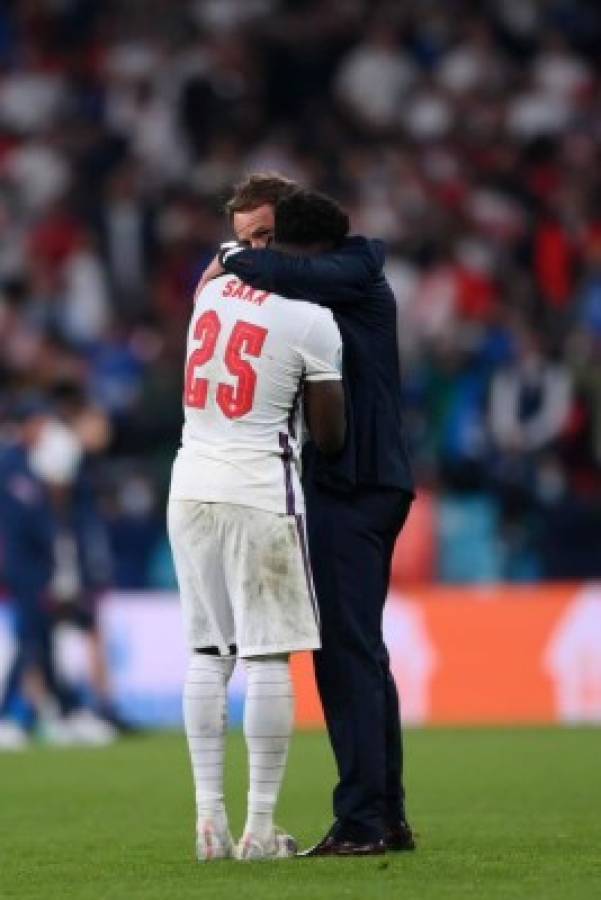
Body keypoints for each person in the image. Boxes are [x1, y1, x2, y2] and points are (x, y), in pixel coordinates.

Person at [200, 176, 416, 856]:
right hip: (359, 484)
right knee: (361, 653)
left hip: (352, 485)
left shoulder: (353, 268)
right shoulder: (338, 281)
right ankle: (385, 815)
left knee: (344, 655)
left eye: (273, 242)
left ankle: (361, 822)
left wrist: (230, 258)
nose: (270, 258)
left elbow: (264, 270)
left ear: (307, 245)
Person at [167, 199, 346, 861]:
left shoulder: (207, 298)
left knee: (208, 655)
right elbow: (329, 434)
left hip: (188, 486)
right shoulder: (310, 319)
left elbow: (213, 275)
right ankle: (258, 829)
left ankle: (208, 823)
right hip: (257, 490)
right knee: (268, 657)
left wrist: (227, 252)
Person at [0, 398, 117, 749]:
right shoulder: (11, 466)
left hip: (50, 564)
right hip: (24, 567)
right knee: (32, 638)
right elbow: (24, 523)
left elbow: (64, 515)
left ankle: (65, 711)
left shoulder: (48, 461)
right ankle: (12, 715)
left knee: (43, 640)